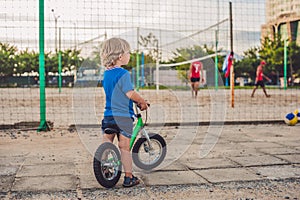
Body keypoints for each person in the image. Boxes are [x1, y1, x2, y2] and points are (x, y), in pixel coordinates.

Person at [100, 37, 148, 187]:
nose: (130, 55)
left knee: (107, 142)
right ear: (120, 56)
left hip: (108, 115)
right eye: (128, 53)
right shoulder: (123, 73)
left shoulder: (106, 74)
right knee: (124, 147)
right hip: (123, 117)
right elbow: (129, 93)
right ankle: (129, 177)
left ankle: (105, 167)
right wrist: (141, 101)